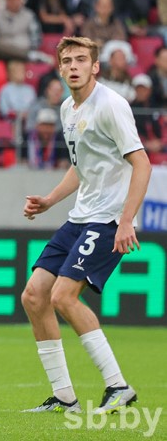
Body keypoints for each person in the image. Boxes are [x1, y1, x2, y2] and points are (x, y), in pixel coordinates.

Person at [22, 36, 151, 415]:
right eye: (67, 61)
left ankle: (119, 386)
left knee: (63, 296)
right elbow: (82, 167)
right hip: (80, 216)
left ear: (95, 67)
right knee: (34, 295)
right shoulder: (68, 108)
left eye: (81, 59)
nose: (74, 66)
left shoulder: (111, 105)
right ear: (60, 69)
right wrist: (50, 200)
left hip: (109, 218)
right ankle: (65, 397)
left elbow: (142, 163)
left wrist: (126, 220)